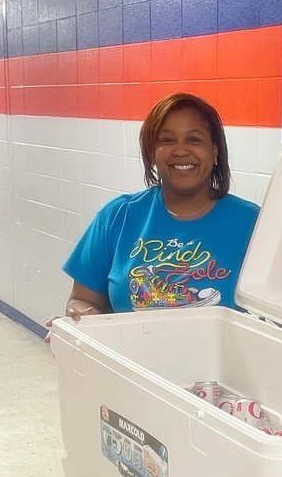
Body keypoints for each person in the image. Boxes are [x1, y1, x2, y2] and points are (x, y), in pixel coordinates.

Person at [59, 92, 259, 320]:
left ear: (214, 151)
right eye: (167, 140)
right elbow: (82, 300)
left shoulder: (252, 222)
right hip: (131, 344)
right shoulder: (118, 215)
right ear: (152, 152)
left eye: (194, 139)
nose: (181, 150)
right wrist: (82, 318)